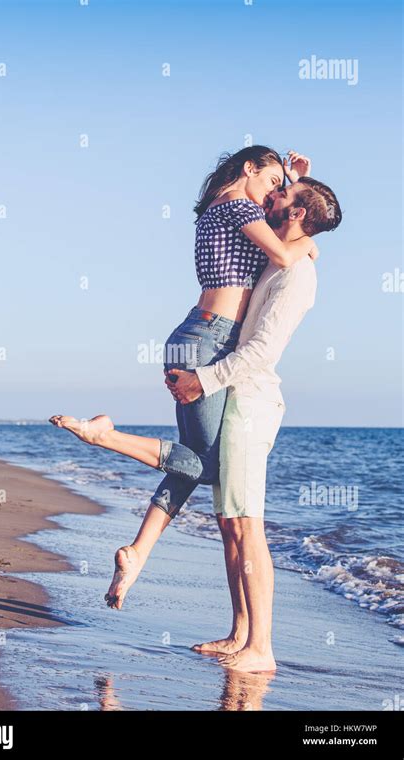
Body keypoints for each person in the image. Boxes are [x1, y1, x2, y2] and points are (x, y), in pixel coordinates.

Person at [49, 146, 318, 610]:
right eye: (271, 179)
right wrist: (312, 243)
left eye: (281, 187)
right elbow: (286, 249)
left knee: (193, 461)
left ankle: (136, 554)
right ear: (249, 169)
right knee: (208, 466)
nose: (275, 190)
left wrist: (296, 179)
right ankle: (105, 435)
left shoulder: (227, 205)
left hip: (197, 335)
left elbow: (293, 215)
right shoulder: (235, 207)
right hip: (207, 341)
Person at [164, 177, 342, 672]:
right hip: (236, 396)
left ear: (298, 214)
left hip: (250, 405)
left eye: (282, 195)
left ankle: (261, 649)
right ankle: (239, 632)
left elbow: (261, 351)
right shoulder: (284, 252)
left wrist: (202, 379)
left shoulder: (296, 276)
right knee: (229, 525)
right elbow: (307, 230)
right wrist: (299, 175)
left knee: (248, 526)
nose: (271, 197)